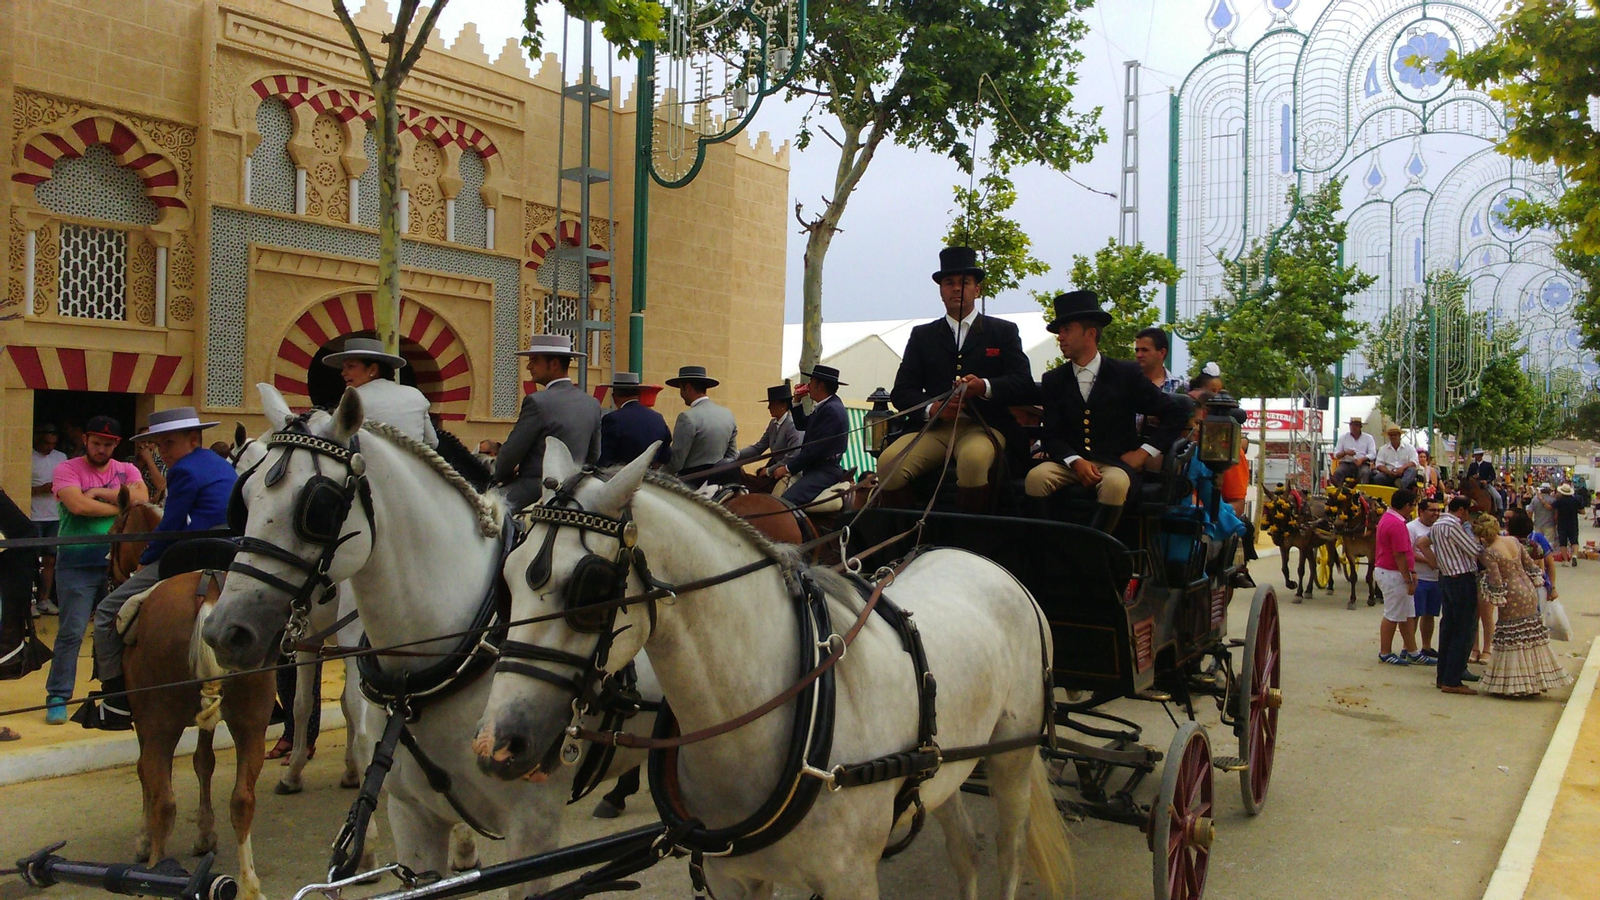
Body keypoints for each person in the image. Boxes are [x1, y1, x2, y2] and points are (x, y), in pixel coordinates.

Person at [81, 408, 235, 731]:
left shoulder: (182, 471)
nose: (163, 451)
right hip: (233, 551)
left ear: (194, 439)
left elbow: (170, 526)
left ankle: (115, 702)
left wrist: (145, 559)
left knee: (108, 610)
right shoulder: (220, 463)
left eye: (169, 443)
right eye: (159, 445)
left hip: (195, 551)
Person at [876, 246, 1034, 513]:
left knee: (973, 461)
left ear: (977, 289)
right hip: (935, 429)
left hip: (984, 427)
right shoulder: (922, 336)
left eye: (965, 282)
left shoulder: (1002, 332)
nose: (957, 289)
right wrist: (932, 409)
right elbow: (902, 391)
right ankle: (907, 539)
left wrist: (983, 387)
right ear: (941, 291)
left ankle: (968, 540)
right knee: (888, 463)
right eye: (950, 283)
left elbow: (1023, 383)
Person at [1024, 291, 1186, 533]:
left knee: (1115, 484)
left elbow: (1175, 412)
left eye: (1067, 329)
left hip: (1114, 463)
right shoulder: (1054, 379)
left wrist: (1143, 454)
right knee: (1035, 479)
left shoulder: (1125, 373)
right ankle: (1052, 548)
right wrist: (1075, 461)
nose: (1060, 337)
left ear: (1090, 333)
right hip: (1069, 464)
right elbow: (1052, 434)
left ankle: (1097, 551)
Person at [45, 416, 147, 724]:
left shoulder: (126, 469)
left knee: (124, 630)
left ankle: (116, 692)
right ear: (86, 440)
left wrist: (99, 493)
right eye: (95, 442)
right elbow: (78, 506)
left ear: (115, 445)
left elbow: (143, 498)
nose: (100, 449)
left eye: (107, 444)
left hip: (120, 563)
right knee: (72, 631)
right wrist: (121, 505)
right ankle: (58, 694)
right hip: (77, 560)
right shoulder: (67, 468)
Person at [1472, 513, 1573, 698]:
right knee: (1530, 633)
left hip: (1511, 592)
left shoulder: (1489, 551)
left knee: (1512, 635)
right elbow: (1531, 566)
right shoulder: (1513, 540)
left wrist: (1488, 588)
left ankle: (1516, 682)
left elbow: (1495, 579)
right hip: (1528, 588)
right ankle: (1535, 679)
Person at [496, 335, 602, 509]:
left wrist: (499, 475)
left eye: (535, 360)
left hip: (535, 489)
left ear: (553, 364)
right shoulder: (592, 403)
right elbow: (594, 455)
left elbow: (510, 454)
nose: (529, 366)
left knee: (485, 514)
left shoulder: (537, 402)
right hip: (575, 492)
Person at [322, 337, 437, 448]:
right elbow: (432, 442)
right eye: (344, 368)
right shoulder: (415, 394)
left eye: (350, 366)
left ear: (372, 370)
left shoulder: (355, 397)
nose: (343, 373)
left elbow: (329, 436)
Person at [771, 365, 851, 507]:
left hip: (824, 470)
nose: (808, 386)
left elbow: (814, 449)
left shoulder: (831, 410)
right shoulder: (827, 406)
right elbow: (802, 424)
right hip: (816, 468)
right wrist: (796, 401)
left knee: (786, 502)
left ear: (820, 385)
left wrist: (787, 468)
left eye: (811, 382)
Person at [1431, 496, 1484, 695]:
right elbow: (1474, 550)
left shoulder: (1437, 525)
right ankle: (1452, 679)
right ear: (1461, 510)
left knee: (1449, 628)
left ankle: (1443, 675)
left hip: (1447, 577)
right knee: (1463, 630)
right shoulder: (1452, 526)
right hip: (1461, 578)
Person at [1374, 489, 1428, 665]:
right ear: (1407, 506)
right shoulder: (1397, 524)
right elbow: (1400, 555)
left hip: (1389, 570)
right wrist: (1408, 577)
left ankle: (1412, 650)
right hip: (1393, 572)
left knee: (1406, 613)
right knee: (1394, 613)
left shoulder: (1389, 519)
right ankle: (1385, 651)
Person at [664, 365, 739, 484]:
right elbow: (732, 455)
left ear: (687, 387)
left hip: (692, 483)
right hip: (721, 481)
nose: (681, 394)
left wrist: (658, 474)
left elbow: (676, 462)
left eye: (681, 389)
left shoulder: (687, 417)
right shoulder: (727, 414)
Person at [733, 384, 802, 490]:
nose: (768, 407)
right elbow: (759, 447)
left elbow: (793, 455)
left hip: (789, 470)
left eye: (772, 404)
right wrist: (735, 455)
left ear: (783, 405)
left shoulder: (793, 424)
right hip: (774, 467)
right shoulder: (773, 424)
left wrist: (770, 470)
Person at [598, 372, 672, 469]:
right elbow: (665, 456)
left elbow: (605, 458)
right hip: (650, 478)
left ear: (614, 396)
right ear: (639, 394)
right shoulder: (657, 417)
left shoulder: (613, 419)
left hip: (621, 478)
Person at [30, 424, 66, 616]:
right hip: (34, 516)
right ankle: (30, 600)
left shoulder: (61, 458)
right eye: (46, 443)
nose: (49, 447)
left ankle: (44, 599)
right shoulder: (28, 457)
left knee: (51, 560)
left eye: (53, 443)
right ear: (37, 438)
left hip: (55, 516)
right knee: (31, 560)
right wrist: (40, 489)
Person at [1409, 497, 1443, 659]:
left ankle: (1426, 646)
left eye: (1438, 510)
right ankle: (1409, 647)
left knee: (1430, 614)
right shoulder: (1411, 528)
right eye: (1432, 510)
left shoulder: (1440, 527)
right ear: (1421, 511)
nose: (1436, 513)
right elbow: (1408, 552)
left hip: (1436, 579)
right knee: (1415, 614)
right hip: (1419, 577)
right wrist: (1429, 560)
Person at [1134, 327, 1186, 393]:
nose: (1139, 355)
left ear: (1161, 353)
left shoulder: (1181, 386)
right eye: (1137, 350)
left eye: (1144, 350)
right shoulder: (1126, 385)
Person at [1370, 425, 1418, 491]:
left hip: (1404, 473)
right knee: (1378, 478)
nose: (1393, 437)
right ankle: (1399, 485)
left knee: (1412, 470)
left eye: (1394, 435)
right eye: (1391, 435)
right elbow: (1379, 464)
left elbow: (1414, 462)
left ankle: (1401, 485)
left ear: (1399, 435)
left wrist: (1402, 468)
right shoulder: (1383, 449)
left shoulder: (1409, 447)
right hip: (1388, 473)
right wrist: (1388, 472)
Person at [1331, 417, 1376, 485]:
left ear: (1360, 426)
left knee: (1364, 473)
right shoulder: (1343, 437)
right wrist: (1345, 452)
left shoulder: (1368, 438)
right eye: (1351, 425)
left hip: (1363, 464)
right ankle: (1338, 492)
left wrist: (1362, 459)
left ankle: (1363, 493)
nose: (1353, 427)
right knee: (1338, 472)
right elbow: (1336, 454)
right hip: (1346, 463)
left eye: (1356, 425)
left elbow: (1372, 454)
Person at [1553, 482, 1583, 566]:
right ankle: (1574, 556)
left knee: (1563, 542)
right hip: (1573, 523)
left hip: (1562, 523)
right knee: (1574, 541)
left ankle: (1565, 560)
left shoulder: (1559, 501)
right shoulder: (1576, 500)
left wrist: (1542, 500)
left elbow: (1552, 509)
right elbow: (1583, 511)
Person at [1528, 483, 1557, 548]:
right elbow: (1556, 514)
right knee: (1549, 542)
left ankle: (1540, 556)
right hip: (1549, 524)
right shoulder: (1552, 500)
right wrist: (1555, 523)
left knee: (1538, 543)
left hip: (1537, 524)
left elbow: (1529, 511)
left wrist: (1530, 521)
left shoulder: (1535, 499)